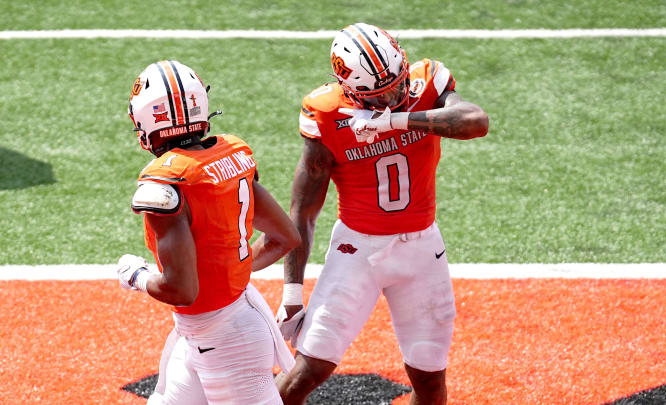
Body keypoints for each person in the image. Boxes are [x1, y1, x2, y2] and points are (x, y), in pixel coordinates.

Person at [274, 23, 489, 405]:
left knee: (429, 379)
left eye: (396, 83)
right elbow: (303, 212)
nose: (393, 95)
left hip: (422, 249)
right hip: (357, 252)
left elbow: (476, 122)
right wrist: (292, 292)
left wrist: (394, 121)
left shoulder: (427, 83)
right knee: (305, 373)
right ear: (350, 90)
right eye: (379, 95)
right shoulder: (327, 114)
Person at [116, 60, 300, 405]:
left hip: (228, 343)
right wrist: (231, 268)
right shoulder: (234, 153)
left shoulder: (165, 183)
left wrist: (137, 275)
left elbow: (182, 289)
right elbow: (285, 237)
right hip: (216, 330)